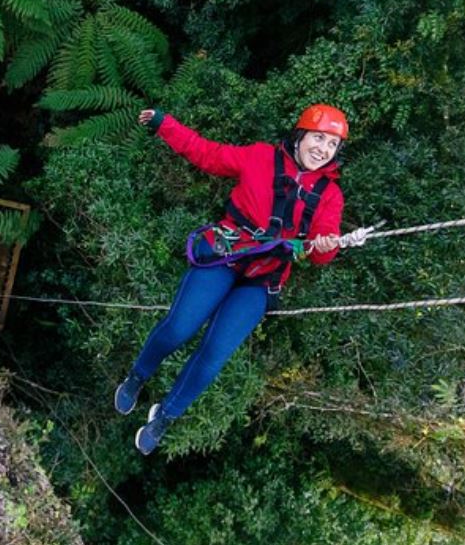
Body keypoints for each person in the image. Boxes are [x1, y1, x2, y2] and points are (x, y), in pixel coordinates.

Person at [117, 104, 366, 455]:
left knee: (215, 352)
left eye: (331, 145)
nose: (323, 149)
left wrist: (328, 244)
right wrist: (164, 125)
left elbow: (321, 252)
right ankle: (138, 375)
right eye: (318, 138)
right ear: (300, 136)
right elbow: (207, 154)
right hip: (226, 256)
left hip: (262, 281)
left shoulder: (329, 195)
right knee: (179, 328)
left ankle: (166, 415)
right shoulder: (260, 158)